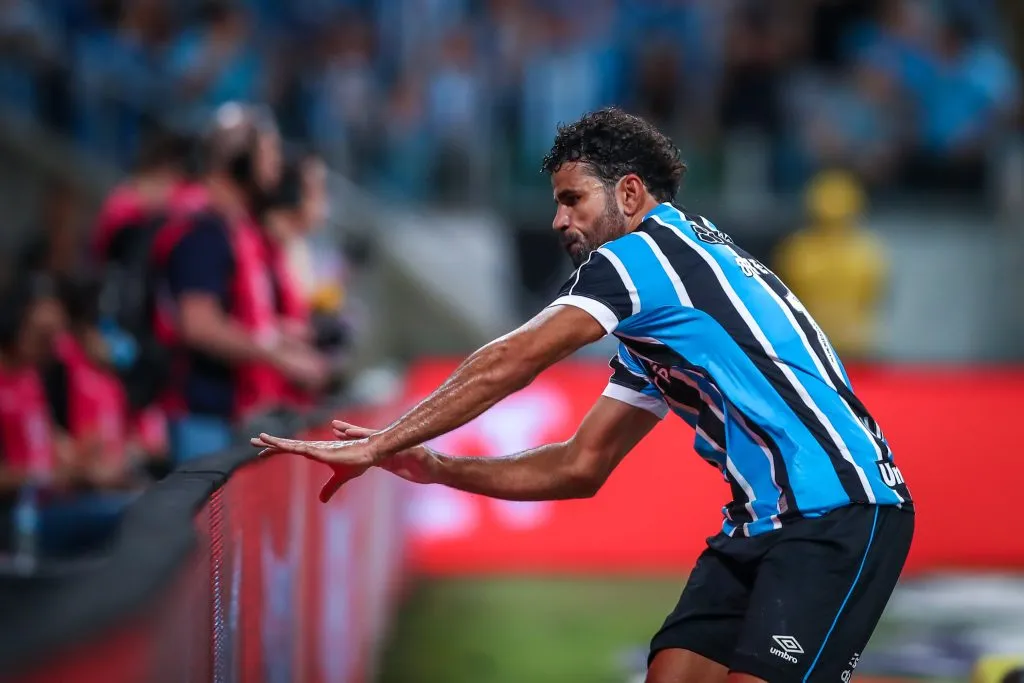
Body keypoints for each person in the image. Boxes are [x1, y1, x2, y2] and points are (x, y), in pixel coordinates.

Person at [253, 108, 914, 683]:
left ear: (628, 192)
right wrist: (437, 468)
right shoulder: (659, 304)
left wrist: (382, 441)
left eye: (573, 200)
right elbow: (580, 465)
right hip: (763, 522)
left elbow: (511, 358)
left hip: (841, 513)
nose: (558, 219)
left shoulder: (640, 258)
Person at [153, 103, 325, 464]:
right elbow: (198, 324)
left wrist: (279, 334)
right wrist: (272, 352)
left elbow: (234, 316)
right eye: (269, 152)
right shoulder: (204, 228)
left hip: (222, 414)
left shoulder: (233, 227)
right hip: (200, 415)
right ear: (241, 159)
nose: (276, 165)